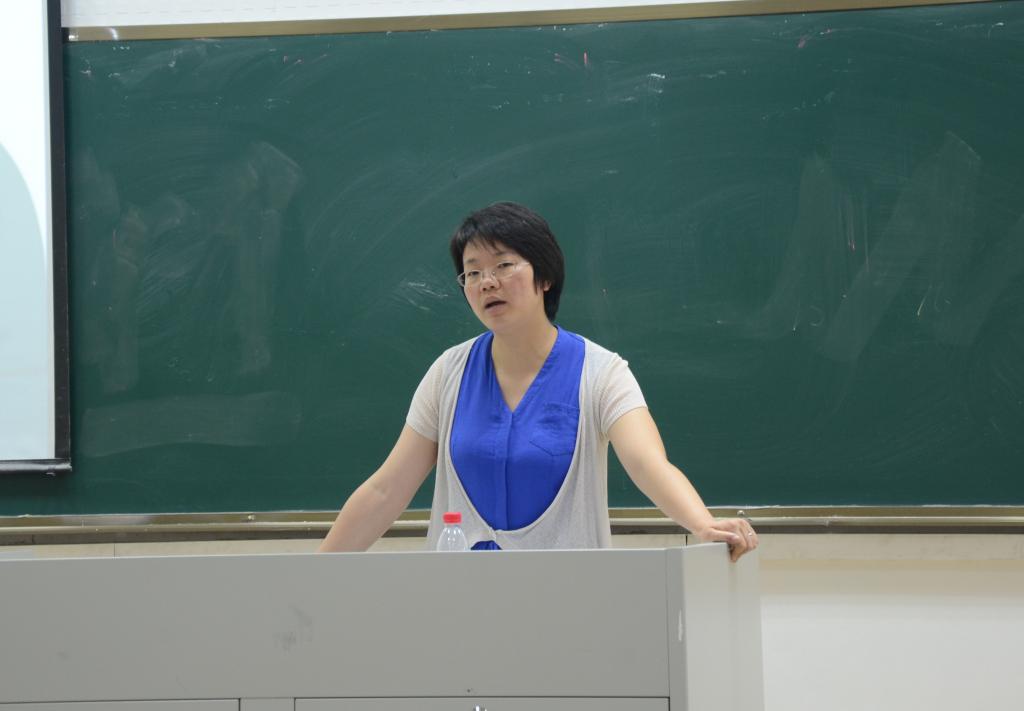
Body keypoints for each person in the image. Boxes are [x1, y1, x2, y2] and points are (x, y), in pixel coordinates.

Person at [319, 202, 758, 560]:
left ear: (544, 277)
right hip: (459, 604)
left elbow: (648, 464)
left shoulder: (601, 373)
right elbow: (386, 489)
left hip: (564, 603)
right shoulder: (449, 372)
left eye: (504, 265)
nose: (487, 283)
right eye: (473, 272)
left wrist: (703, 524)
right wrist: (312, 575)